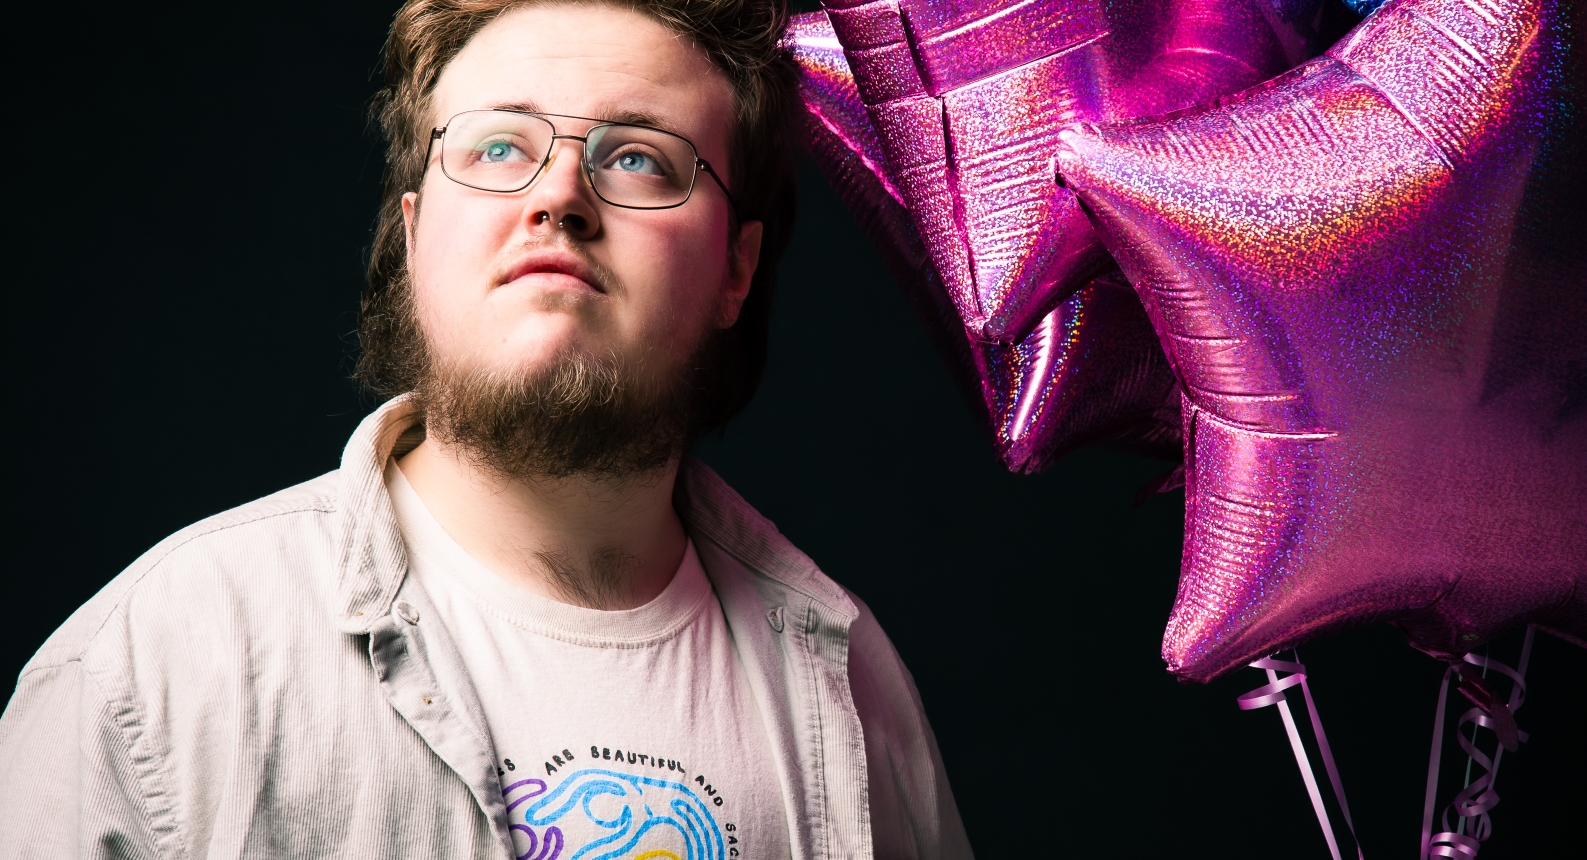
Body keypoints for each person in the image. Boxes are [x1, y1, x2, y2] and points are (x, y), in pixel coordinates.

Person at [0, 1, 971, 857]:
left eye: (637, 156)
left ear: (736, 268)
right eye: (500, 146)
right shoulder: (153, 669)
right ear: (416, 234)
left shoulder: (852, 686)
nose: (557, 197)